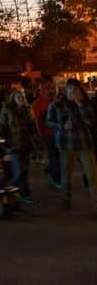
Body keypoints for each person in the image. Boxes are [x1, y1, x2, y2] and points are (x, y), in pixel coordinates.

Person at [46, 78, 97, 211]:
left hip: (84, 144)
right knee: (66, 176)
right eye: (70, 89)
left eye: (75, 89)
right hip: (66, 145)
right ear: (65, 89)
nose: (72, 92)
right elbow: (49, 121)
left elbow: (91, 122)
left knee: (92, 176)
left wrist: (80, 105)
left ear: (79, 90)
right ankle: (66, 199)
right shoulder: (56, 104)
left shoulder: (85, 103)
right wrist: (62, 126)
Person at [0, 89, 42, 203]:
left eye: (22, 96)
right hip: (13, 145)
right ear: (13, 98)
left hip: (26, 144)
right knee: (19, 171)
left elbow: (33, 127)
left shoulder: (27, 109)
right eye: (18, 97)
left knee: (25, 170)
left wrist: (38, 143)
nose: (21, 98)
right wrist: (6, 143)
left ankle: (20, 192)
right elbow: (2, 127)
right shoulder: (7, 110)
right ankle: (11, 189)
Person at [32, 82, 61, 187]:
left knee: (57, 156)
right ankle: (56, 178)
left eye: (53, 88)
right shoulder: (37, 103)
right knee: (54, 157)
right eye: (49, 89)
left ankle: (50, 170)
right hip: (47, 135)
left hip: (58, 133)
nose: (51, 91)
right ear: (43, 90)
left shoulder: (55, 101)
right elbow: (37, 121)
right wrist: (41, 135)